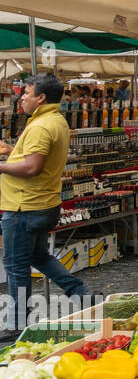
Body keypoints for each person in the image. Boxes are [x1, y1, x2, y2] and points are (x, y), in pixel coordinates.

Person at [1, 74, 85, 335]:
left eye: (26, 92)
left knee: (16, 266)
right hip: (44, 203)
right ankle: (82, 294)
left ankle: (17, 323)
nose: (21, 97)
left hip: (24, 206)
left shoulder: (40, 126)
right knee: (39, 256)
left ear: (41, 97)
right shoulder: (55, 120)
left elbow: (33, 167)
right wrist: (10, 151)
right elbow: (33, 158)